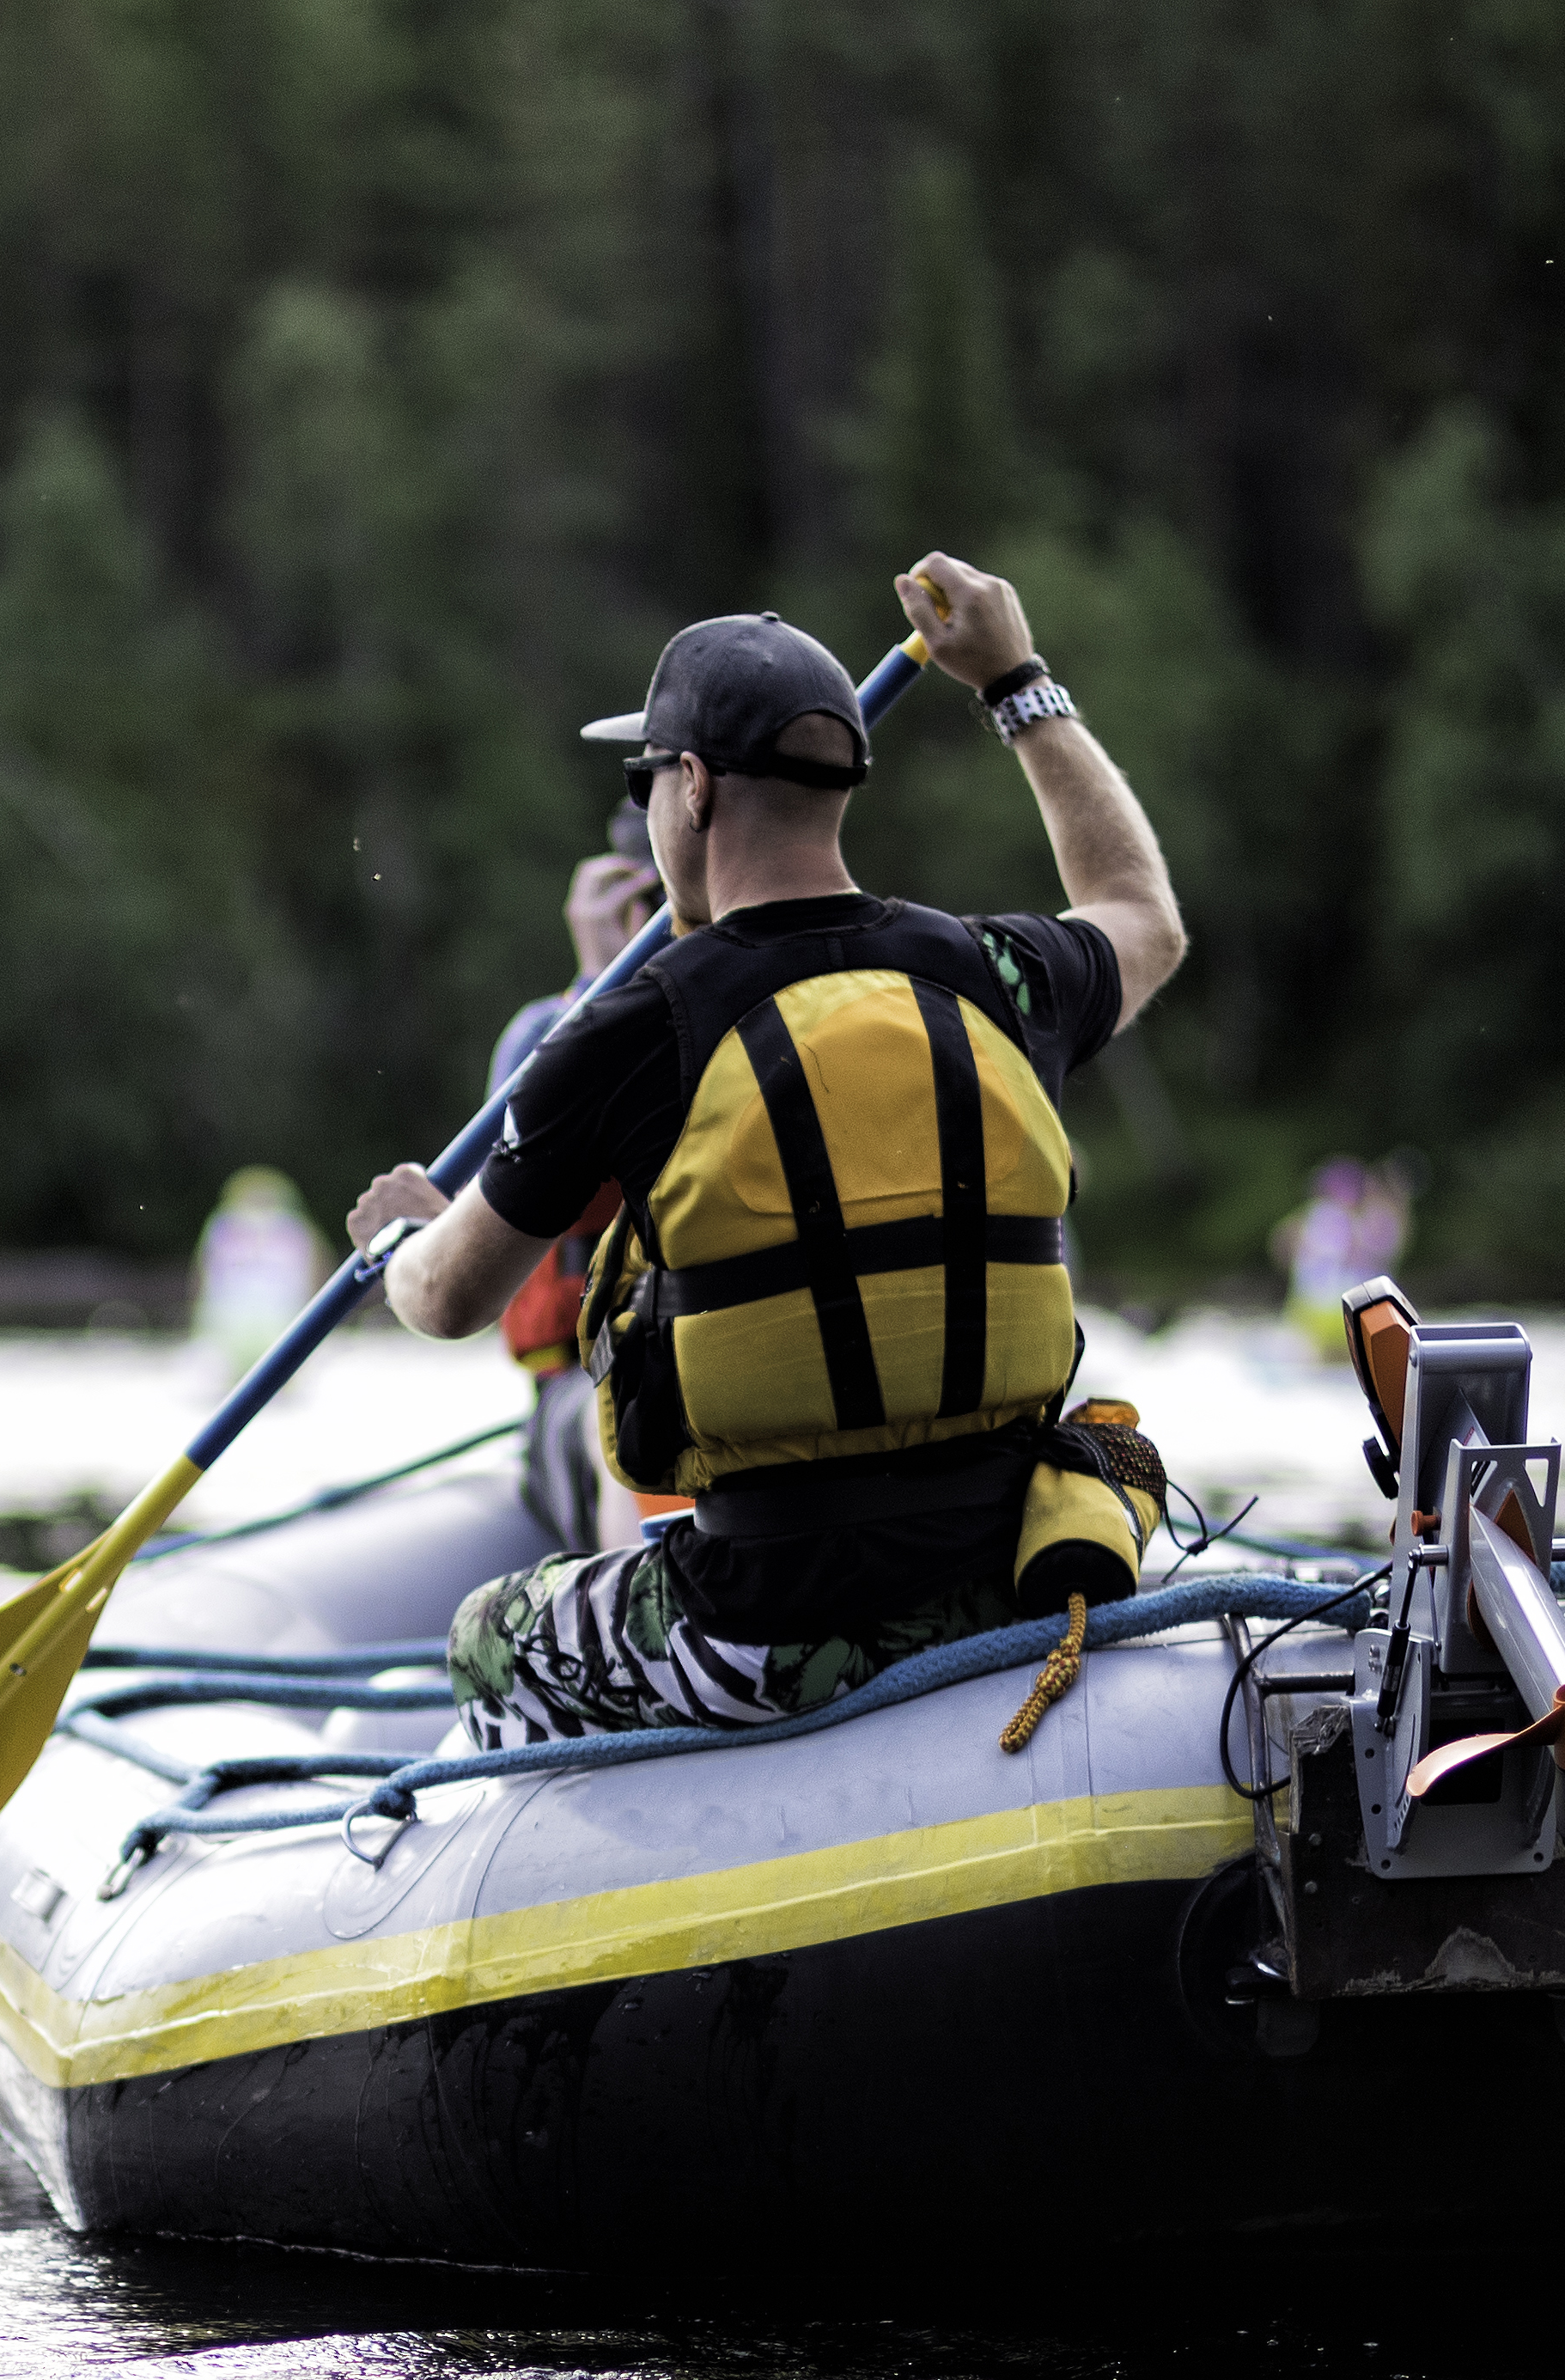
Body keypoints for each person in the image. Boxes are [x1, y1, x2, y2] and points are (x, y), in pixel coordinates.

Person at [346, 555, 1188, 1746]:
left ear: (690, 787)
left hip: (772, 1616)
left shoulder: (631, 1028)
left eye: (646, 778)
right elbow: (1142, 912)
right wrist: (1017, 683)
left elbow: (449, 1298)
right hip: (1009, 1572)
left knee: (488, 1632)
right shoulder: (993, 973)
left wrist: (400, 1234)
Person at [481, 805, 668, 1550]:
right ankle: (640, 1639)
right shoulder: (543, 1034)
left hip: (746, 1363)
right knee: (632, 1398)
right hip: (591, 1387)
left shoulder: (762, 1007)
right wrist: (602, 989)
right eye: (649, 906)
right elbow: (472, 1268)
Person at [188, 1166, 329, 1369]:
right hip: (246, 1319)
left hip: (265, 1317)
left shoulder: (225, 1227)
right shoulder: (226, 1227)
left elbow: (202, 1274)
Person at [1273, 1154, 1411, 1359]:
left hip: (1314, 1308)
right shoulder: (1367, 1220)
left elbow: (1282, 1248)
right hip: (1345, 1309)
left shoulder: (1309, 1218)